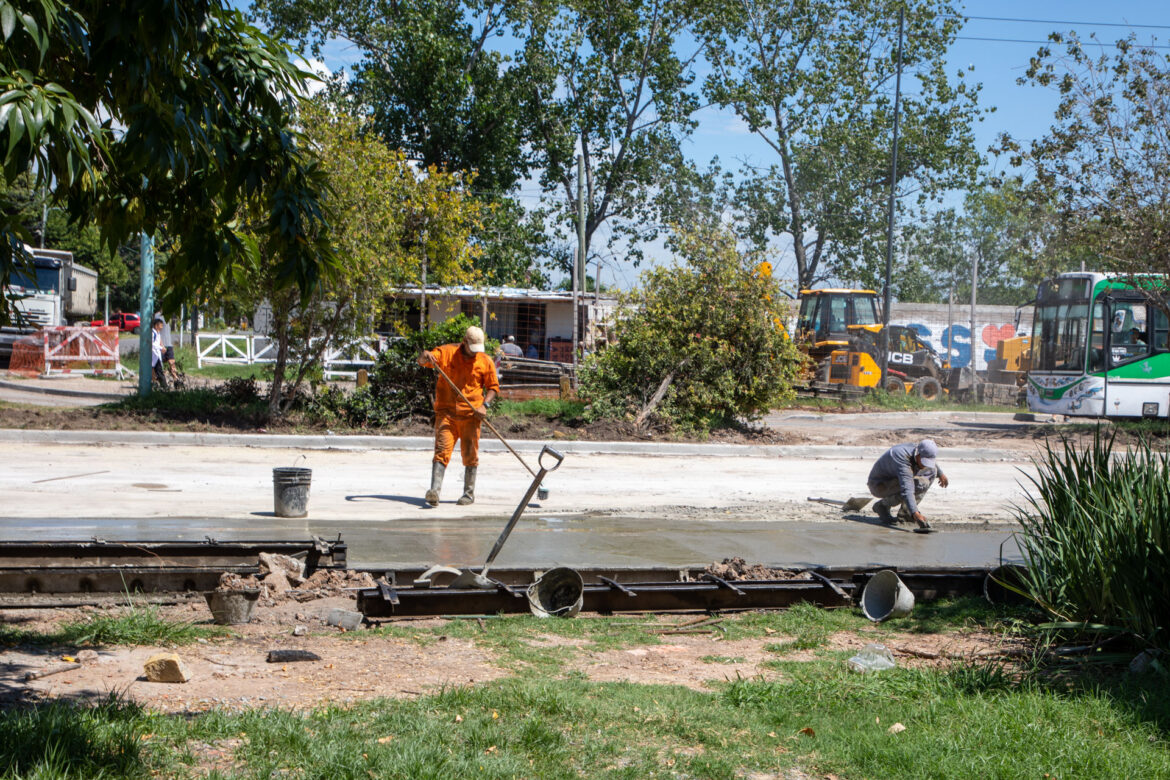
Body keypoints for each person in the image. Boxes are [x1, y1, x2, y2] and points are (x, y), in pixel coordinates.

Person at [417, 325, 500, 506]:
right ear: (464, 342)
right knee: (441, 451)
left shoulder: (485, 361)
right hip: (446, 413)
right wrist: (424, 356)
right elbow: (424, 360)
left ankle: (468, 494)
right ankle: (434, 492)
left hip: (471, 415)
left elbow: (493, 387)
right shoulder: (446, 353)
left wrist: (484, 405)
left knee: (470, 454)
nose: (475, 353)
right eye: (472, 348)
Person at [866, 439, 949, 531]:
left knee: (933, 471)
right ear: (918, 454)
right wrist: (915, 513)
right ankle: (885, 507)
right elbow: (907, 489)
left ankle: (905, 513)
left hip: (894, 480)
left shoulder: (917, 449)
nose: (925, 465)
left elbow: (930, 461)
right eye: (924, 461)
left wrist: (940, 474)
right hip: (879, 485)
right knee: (918, 484)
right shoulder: (902, 458)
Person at [150, 317, 168, 389]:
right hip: (154, 354)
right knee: (158, 370)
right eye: (161, 325)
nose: (162, 327)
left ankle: (156, 383)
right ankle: (164, 385)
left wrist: (162, 347)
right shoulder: (153, 333)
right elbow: (152, 344)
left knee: (156, 369)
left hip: (157, 355)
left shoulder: (158, 333)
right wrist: (161, 348)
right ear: (156, 325)